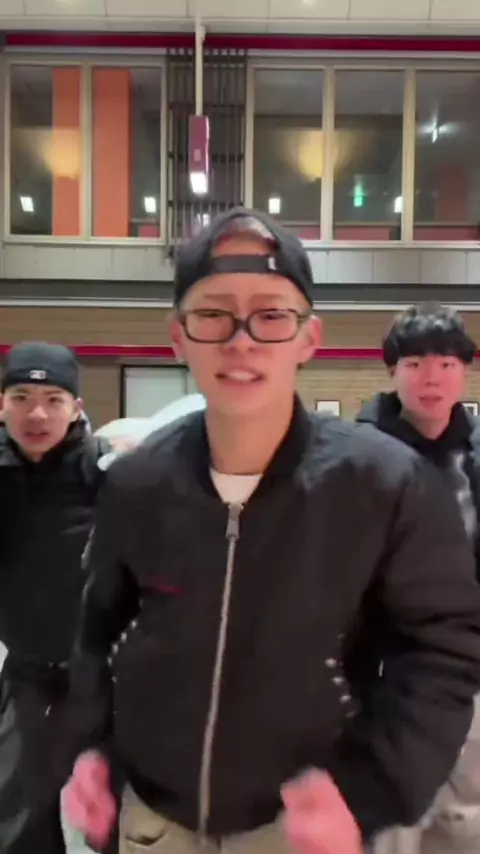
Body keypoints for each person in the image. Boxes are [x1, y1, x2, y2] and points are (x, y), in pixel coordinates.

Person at [64, 209, 480, 854]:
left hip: (304, 824)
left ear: (309, 338)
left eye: (270, 315)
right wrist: (93, 749)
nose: (241, 340)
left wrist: (367, 789)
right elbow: (101, 632)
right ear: (178, 338)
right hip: (154, 821)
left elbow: (442, 650)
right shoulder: (137, 483)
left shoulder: (384, 484)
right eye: (213, 314)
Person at [356, 303, 480, 854]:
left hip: (467, 670)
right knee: (391, 819)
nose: (432, 378)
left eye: (447, 364)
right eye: (415, 364)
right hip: (386, 675)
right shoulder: (355, 457)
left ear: (465, 372)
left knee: (464, 819)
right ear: (392, 371)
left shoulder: (474, 456)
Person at [0, 341, 112, 854]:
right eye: (21, 398)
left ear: (76, 408)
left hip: (107, 678)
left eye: (53, 399)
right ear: (2, 405)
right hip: (27, 673)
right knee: (18, 818)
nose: (37, 414)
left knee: (116, 819)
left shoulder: (110, 476)